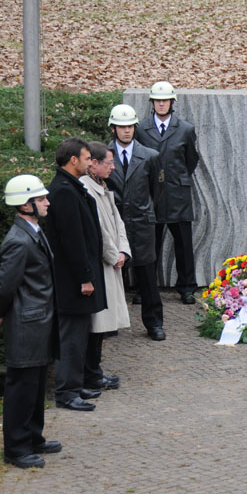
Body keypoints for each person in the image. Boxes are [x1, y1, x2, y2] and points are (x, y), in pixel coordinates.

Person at [0, 175, 62, 468]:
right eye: (41, 198)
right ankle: (16, 448)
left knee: (35, 384)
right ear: (25, 204)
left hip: (38, 320)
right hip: (26, 322)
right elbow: (6, 285)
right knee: (21, 385)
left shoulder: (32, 230)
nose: (47, 202)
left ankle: (33, 437)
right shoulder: (18, 240)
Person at [45, 137, 107, 411]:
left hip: (77, 276)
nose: (89, 163)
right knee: (70, 336)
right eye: (85, 159)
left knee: (79, 334)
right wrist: (84, 277)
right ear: (73, 161)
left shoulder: (71, 187)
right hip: (71, 280)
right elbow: (72, 239)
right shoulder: (63, 191)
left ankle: (75, 382)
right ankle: (67, 391)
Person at [135, 81, 201, 304]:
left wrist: (178, 178)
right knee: (149, 243)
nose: (161, 104)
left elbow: (191, 159)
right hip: (151, 194)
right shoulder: (141, 128)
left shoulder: (185, 129)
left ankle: (187, 287)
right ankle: (145, 288)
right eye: (157, 100)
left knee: (183, 243)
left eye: (165, 100)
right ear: (152, 103)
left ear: (172, 103)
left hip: (177, 193)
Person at [106, 104, 166, 340]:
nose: (126, 131)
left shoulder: (150, 156)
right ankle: (110, 323)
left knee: (148, 277)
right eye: (121, 127)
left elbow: (157, 190)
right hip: (114, 223)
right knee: (113, 274)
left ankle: (154, 323)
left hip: (142, 223)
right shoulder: (103, 156)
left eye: (130, 126)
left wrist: (146, 211)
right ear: (113, 128)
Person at [80, 141, 129, 391]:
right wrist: (114, 255)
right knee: (97, 323)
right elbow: (98, 229)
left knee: (103, 323)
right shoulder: (86, 189)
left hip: (111, 261)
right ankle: (91, 373)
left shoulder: (101, 185)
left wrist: (123, 250)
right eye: (108, 163)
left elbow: (117, 222)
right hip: (102, 263)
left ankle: (94, 371)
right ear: (95, 164)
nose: (112, 167)